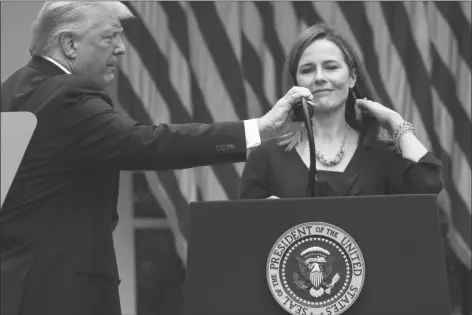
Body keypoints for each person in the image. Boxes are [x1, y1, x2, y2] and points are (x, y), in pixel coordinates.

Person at [0, 2, 313, 315]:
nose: (121, 48)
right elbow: (150, 142)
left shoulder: (15, 87)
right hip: (60, 292)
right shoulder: (67, 96)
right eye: (109, 37)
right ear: (70, 44)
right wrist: (260, 128)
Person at [239, 23, 443, 200]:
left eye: (331, 67)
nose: (319, 77)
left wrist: (396, 123)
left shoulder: (383, 155)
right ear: (296, 83)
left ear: (352, 77)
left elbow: (428, 186)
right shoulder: (265, 158)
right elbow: (244, 237)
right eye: (307, 70)